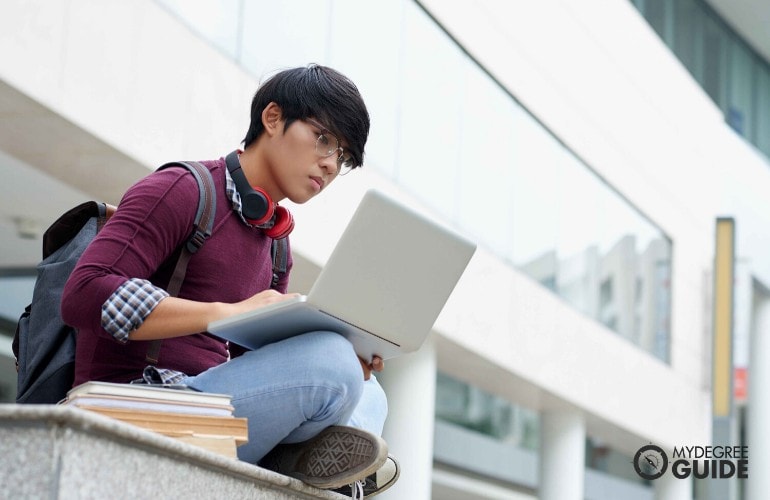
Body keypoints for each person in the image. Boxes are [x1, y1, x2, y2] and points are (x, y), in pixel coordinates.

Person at [61, 64, 398, 497]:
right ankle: (294, 460)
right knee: (332, 364)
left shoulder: (276, 244)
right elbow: (85, 290)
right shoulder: (183, 188)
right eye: (324, 138)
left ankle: (308, 461)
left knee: (367, 388)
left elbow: (257, 362)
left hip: (213, 412)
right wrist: (226, 314)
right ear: (273, 118)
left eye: (344, 156)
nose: (331, 164)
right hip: (138, 405)